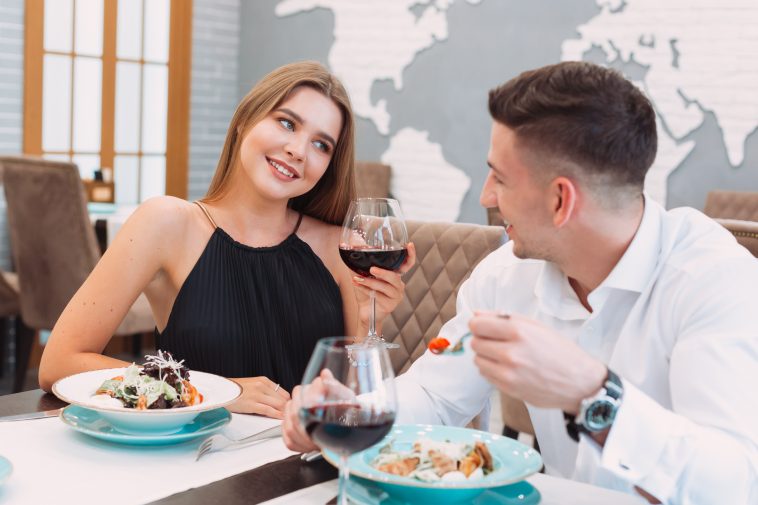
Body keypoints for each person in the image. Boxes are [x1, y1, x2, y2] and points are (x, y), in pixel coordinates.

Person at [283, 61, 757, 503]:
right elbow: (435, 394)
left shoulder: (713, 280)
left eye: (499, 178)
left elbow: (735, 483)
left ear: (560, 201)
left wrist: (593, 394)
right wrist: (351, 411)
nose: (487, 196)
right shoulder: (504, 275)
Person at [38, 61, 415, 419]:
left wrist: (371, 324)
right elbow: (60, 363)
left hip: (304, 466)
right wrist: (217, 392)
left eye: (321, 145)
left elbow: (360, 404)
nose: (298, 150)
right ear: (244, 121)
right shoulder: (166, 224)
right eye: (286, 123)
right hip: (193, 464)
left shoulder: (340, 248)